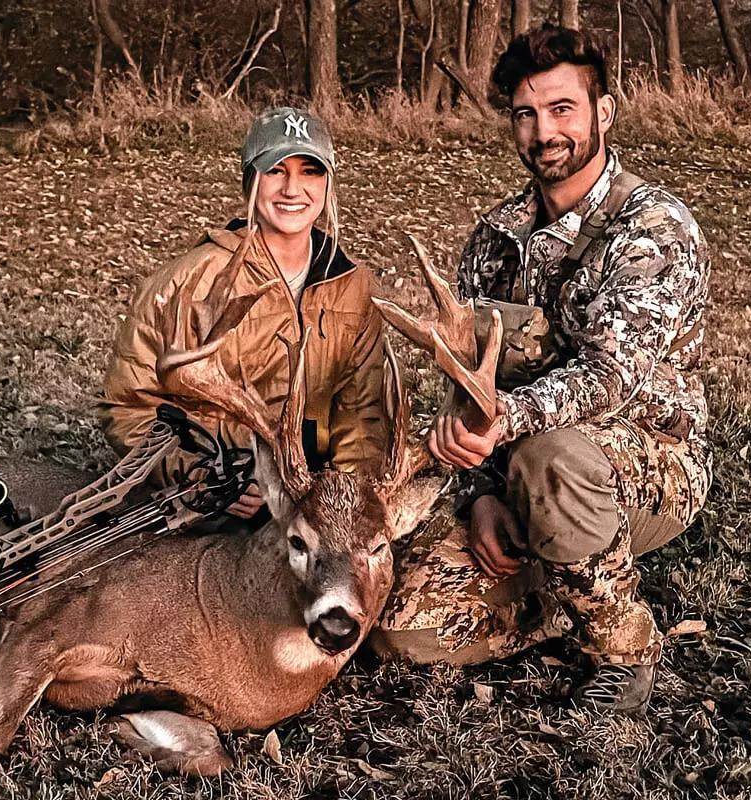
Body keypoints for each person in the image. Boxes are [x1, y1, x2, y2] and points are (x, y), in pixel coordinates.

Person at [370, 25, 712, 714]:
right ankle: (566, 581)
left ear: (602, 113)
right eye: (526, 114)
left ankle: (623, 643)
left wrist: (506, 425)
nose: (543, 130)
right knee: (403, 629)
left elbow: (609, 377)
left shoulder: (653, 230)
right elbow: (465, 391)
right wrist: (477, 495)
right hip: (515, 472)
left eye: (562, 109)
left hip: (643, 463)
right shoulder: (495, 239)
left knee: (549, 461)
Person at [100, 107, 388, 523]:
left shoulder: (354, 287)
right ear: (250, 180)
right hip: (221, 504)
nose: (293, 188)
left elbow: (363, 415)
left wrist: (340, 503)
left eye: (310, 171)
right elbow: (127, 406)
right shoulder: (187, 282)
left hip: (317, 506)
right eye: (275, 170)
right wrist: (202, 476)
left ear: (328, 184)